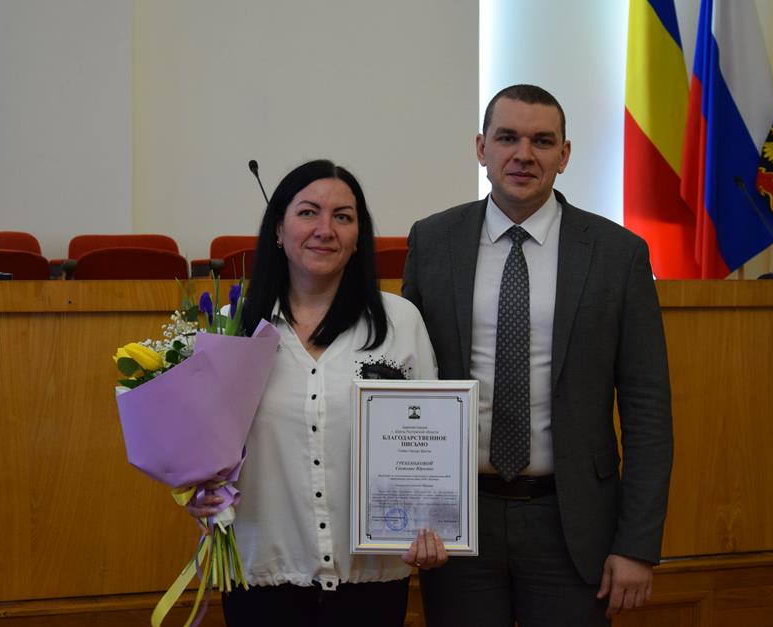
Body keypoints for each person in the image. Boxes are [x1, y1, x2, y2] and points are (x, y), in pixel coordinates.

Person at [402, 85, 673, 626]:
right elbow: (407, 380)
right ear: (481, 148)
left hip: (572, 523)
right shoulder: (432, 241)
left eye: (542, 141)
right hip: (458, 521)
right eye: (507, 138)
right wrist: (407, 511)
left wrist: (637, 544)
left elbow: (647, 408)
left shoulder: (618, 254)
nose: (523, 154)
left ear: (564, 155)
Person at [188, 159, 447, 627]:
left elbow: (433, 441)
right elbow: (205, 452)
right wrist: (199, 490)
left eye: (342, 217)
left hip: (371, 577)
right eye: (308, 212)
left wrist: (432, 522)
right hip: (263, 574)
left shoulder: (401, 322)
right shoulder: (231, 328)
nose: (325, 230)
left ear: (358, 237)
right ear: (278, 229)